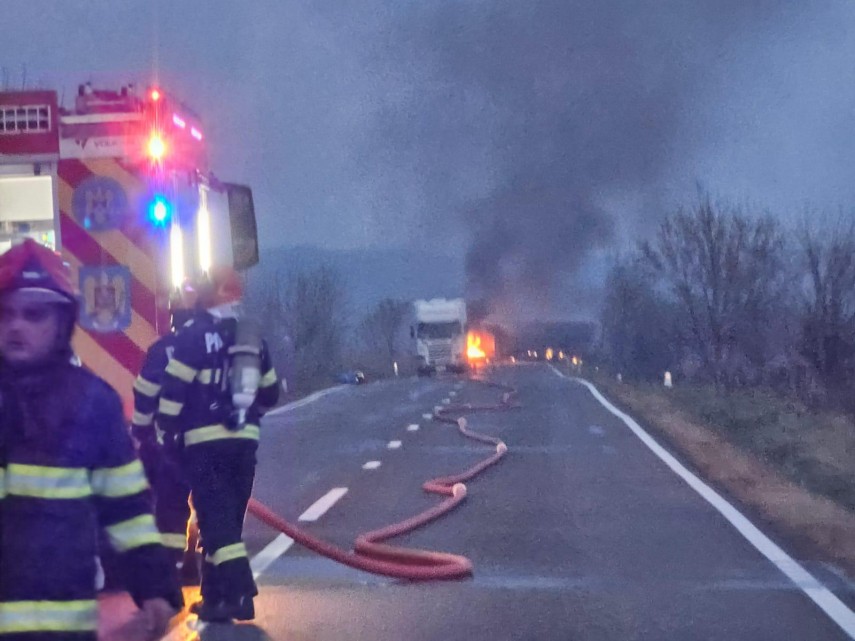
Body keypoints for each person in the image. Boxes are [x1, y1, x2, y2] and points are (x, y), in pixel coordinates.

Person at [0, 239, 183, 640]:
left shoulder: (93, 405)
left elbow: (126, 510)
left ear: (62, 321)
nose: (16, 326)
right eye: (5, 313)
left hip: (61, 627)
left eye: (33, 314)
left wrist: (154, 588)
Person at [157, 266, 279, 623]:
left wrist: (166, 433)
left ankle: (241, 591)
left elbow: (172, 394)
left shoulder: (193, 337)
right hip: (244, 447)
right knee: (225, 524)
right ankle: (214, 598)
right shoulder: (252, 338)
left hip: (205, 449)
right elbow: (270, 394)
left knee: (216, 525)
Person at [130, 284, 201, 583]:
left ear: (174, 317)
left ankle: (171, 571)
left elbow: (145, 394)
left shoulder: (161, 351)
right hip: (214, 446)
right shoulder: (218, 347)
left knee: (171, 508)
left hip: (172, 446)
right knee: (215, 510)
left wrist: (141, 432)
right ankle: (213, 576)